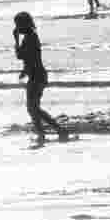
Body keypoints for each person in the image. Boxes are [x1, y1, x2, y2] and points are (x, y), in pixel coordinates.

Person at [13, 11, 68, 145]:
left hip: (38, 76)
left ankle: (55, 130)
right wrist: (24, 70)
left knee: (33, 108)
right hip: (36, 75)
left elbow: (21, 56)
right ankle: (45, 132)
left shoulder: (31, 37)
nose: (16, 28)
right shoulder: (30, 37)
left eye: (18, 25)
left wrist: (15, 40)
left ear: (24, 24)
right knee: (33, 108)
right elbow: (31, 58)